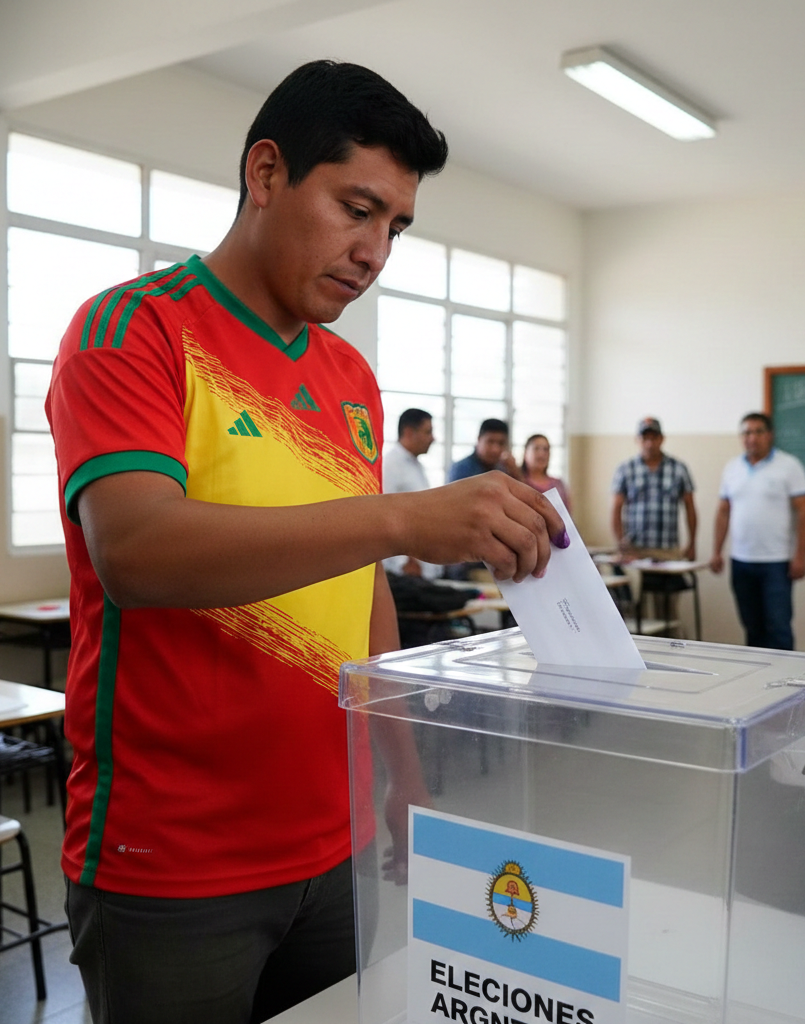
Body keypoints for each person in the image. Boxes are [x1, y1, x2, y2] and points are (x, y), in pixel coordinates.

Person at [45, 61, 567, 1024]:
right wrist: (409, 517)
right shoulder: (133, 332)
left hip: (334, 843)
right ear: (267, 172)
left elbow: (360, 588)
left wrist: (401, 778)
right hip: (174, 861)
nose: (373, 251)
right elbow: (138, 553)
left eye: (395, 227)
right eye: (355, 208)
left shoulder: (348, 376)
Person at [708, 412, 805, 650]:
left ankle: (787, 684)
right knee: (752, 630)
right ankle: (759, 685)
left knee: (779, 629)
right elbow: (723, 511)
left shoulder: (789, 465)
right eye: (746, 433)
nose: (752, 438)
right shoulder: (732, 468)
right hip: (741, 562)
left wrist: (800, 556)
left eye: (758, 432)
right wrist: (716, 551)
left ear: (770, 435)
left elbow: (804, 512)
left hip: (776, 563)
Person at [611, 417, 696, 560]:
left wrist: (692, 543)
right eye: (645, 438)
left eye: (654, 438)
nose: (649, 444)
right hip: (635, 550)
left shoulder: (678, 469)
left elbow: (690, 507)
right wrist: (620, 543)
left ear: (661, 439)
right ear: (637, 440)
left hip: (668, 550)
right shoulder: (625, 469)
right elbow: (616, 508)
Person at [382, 407, 441, 579]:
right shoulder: (391, 465)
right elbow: (385, 515)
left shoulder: (416, 466)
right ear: (409, 432)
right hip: (403, 568)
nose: (432, 438)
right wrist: (404, 561)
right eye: (427, 432)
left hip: (420, 564)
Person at [447, 418, 516, 482]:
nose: (495, 450)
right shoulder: (461, 469)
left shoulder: (504, 469)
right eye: (490, 442)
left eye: (501, 443)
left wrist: (515, 472)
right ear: (479, 439)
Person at [520, 433, 571, 511]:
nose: (541, 454)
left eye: (545, 449)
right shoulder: (518, 482)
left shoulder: (558, 484)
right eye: (536, 448)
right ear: (525, 453)